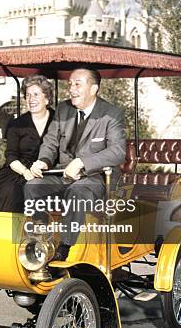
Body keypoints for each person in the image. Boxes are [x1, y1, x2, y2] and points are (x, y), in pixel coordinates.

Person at [25, 67, 126, 261]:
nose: (72, 89)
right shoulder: (64, 109)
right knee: (33, 187)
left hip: (96, 178)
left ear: (94, 88)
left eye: (78, 84)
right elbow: (51, 142)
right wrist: (43, 161)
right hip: (63, 174)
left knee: (78, 192)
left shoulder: (111, 114)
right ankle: (39, 240)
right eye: (70, 84)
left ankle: (66, 248)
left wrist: (82, 162)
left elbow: (118, 152)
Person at [0, 75, 54, 213]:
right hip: (19, 169)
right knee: (1, 189)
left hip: (48, 169)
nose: (31, 99)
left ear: (47, 98)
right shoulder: (16, 124)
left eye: (36, 94)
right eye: (28, 95)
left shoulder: (58, 121)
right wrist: (25, 172)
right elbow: (11, 156)